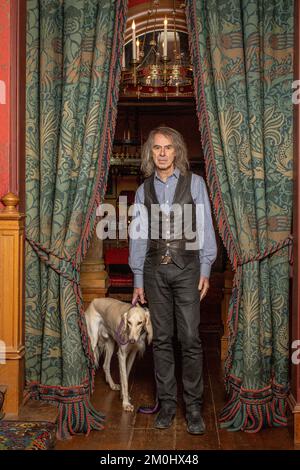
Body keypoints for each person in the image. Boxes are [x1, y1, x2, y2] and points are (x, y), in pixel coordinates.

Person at [129, 127, 217, 435]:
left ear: (176, 151)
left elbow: (204, 227)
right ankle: (167, 405)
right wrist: (138, 277)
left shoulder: (195, 184)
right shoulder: (143, 191)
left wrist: (205, 268)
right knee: (162, 339)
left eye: (168, 147)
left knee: (190, 338)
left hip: (188, 269)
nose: (163, 153)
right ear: (150, 153)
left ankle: (193, 407)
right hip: (154, 272)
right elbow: (138, 237)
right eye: (157, 148)